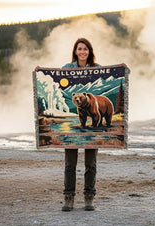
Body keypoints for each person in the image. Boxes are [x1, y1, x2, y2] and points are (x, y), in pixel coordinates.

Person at [61, 38, 100, 212]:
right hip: (72, 131)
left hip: (92, 127)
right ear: (76, 51)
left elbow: (117, 74)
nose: (82, 52)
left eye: (85, 49)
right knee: (70, 164)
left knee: (90, 164)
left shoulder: (97, 69)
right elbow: (53, 76)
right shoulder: (67, 69)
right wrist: (40, 71)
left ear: (89, 51)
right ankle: (68, 198)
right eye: (80, 49)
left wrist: (122, 67)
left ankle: (89, 197)